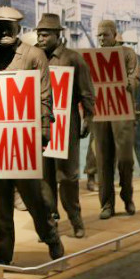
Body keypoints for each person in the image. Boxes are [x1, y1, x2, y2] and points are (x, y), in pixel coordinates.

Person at [0, 6, 64, 272]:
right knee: (0, 200)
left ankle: (52, 238)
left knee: (34, 197)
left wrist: (44, 132)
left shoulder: (34, 56)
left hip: (25, 140)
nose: (2, 31)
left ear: (19, 29)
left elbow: (45, 97)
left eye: (8, 27)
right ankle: (1, 254)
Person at [35, 13, 96, 238]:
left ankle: (76, 219)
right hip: (40, 123)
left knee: (68, 175)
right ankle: (50, 223)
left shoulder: (73, 58)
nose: (40, 38)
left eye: (45, 34)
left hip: (66, 120)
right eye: (39, 33)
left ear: (57, 35)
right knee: (44, 175)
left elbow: (86, 91)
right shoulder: (33, 57)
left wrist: (88, 117)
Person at [93, 20, 139, 219]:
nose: (102, 39)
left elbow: (135, 78)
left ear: (115, 35)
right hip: (100, 112)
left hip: (122, 111)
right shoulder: (93, 57)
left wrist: (122, 83)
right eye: (100, 35)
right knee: (103, 159)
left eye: (106, 35)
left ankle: (127, 196)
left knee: (126, 159)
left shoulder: (127, 54)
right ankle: (106, 204)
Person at [121, 30, 140, 178]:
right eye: (127, 43)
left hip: (137, 106)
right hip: (120, 106)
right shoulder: (118, 61)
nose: (131, 46)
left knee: (137, 138)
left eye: (133, 44)